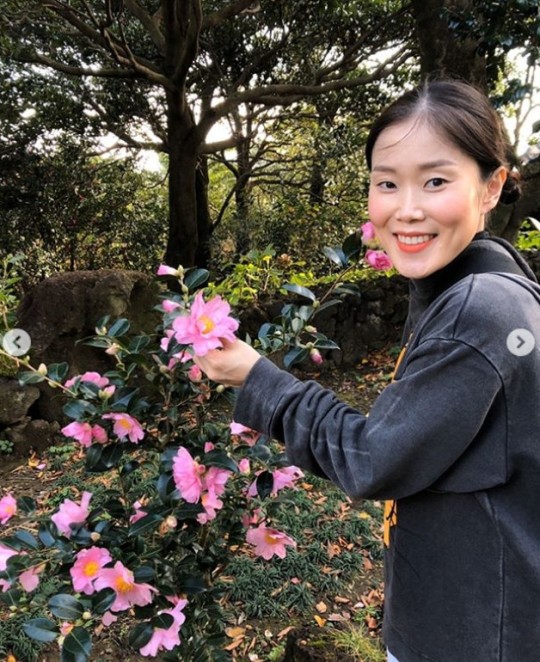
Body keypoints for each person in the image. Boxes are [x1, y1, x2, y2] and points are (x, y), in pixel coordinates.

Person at [195, 79, 540, 662]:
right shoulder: (478, 284)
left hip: (476, 637)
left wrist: (257, 379)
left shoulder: (478, 310)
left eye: (436, 180)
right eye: (387, 183)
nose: (406, 208)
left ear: (491, 186)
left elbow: (373, 459)